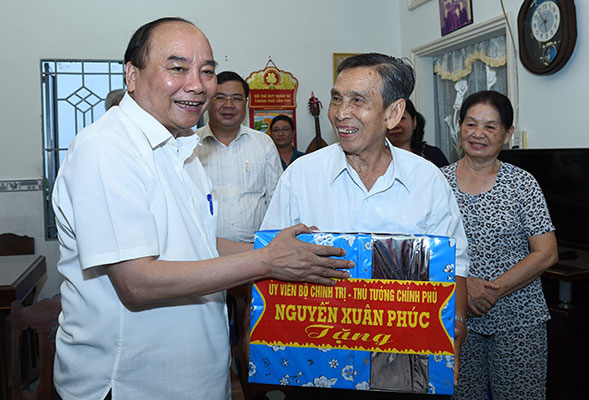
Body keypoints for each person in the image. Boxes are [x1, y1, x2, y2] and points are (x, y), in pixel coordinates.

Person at [51, 17, 352, 400]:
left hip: (196, 379)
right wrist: (267, 261)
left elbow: (200, 242)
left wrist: (288, 253)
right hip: (134, 383)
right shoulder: (107, 148)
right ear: (132, 74)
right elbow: (137, 282)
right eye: (178, 68)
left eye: (206, 71)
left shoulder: (182, 147)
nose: (197, 85)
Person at [261, 53, 469, 395]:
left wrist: (456, 328)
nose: (341, 113)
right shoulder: (301, 175)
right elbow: (269, 259)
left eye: (358, 101)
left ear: (393, 113)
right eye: (337, 99)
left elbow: (454, 264)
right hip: (317, 358)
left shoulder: (427, 180)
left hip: (404, 360)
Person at [441, 90, 558, 399]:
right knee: (461, 394)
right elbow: (425, 248)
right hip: (455, 318)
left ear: (507, 134)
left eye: (490, 126)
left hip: (519, 318)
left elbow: (546, 252)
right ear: (460, 127)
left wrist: (492, 290)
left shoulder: (523, 184)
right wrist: (466, 288)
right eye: (470, 124)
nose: (478, 133)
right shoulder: (437, 183)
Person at [196, 71, 283, 243]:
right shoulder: (190, 146)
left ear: (246, 103)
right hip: (203, 250)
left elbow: (277, 200)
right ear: (208, 101)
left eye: (236, 98)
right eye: (220, 98)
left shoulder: (263, 143)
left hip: (256, 250)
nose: (228, 105)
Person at [386, 99, 449, 167]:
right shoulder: (379, 160)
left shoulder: (434, 154)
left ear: (414, 122)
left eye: (401, 118)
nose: (395, 125)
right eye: (389, 119)